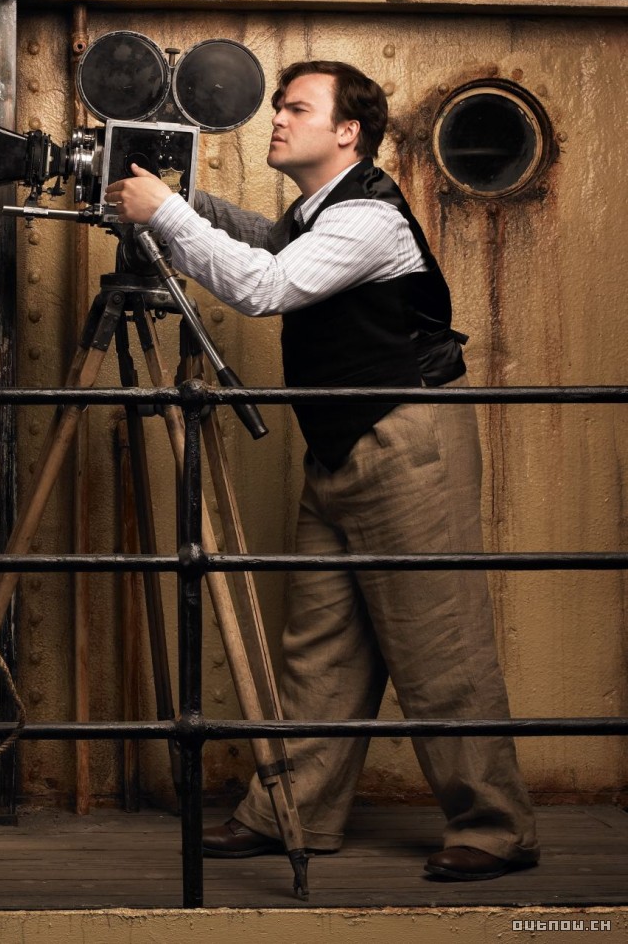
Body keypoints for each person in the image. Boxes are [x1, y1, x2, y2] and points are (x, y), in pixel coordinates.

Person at [104, 60, 539, 882]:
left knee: (440, 642)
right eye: (277, 107)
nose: (276, 118)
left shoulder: (369, 217)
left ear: (348, 131)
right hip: (341, 446)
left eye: (297, 108)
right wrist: (184, 200)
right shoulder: (318, 216)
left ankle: (497, 827)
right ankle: (291, 812)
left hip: (406, 440)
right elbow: (268, 243)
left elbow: (264, 284)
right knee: (320, 648)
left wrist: (165, 211)